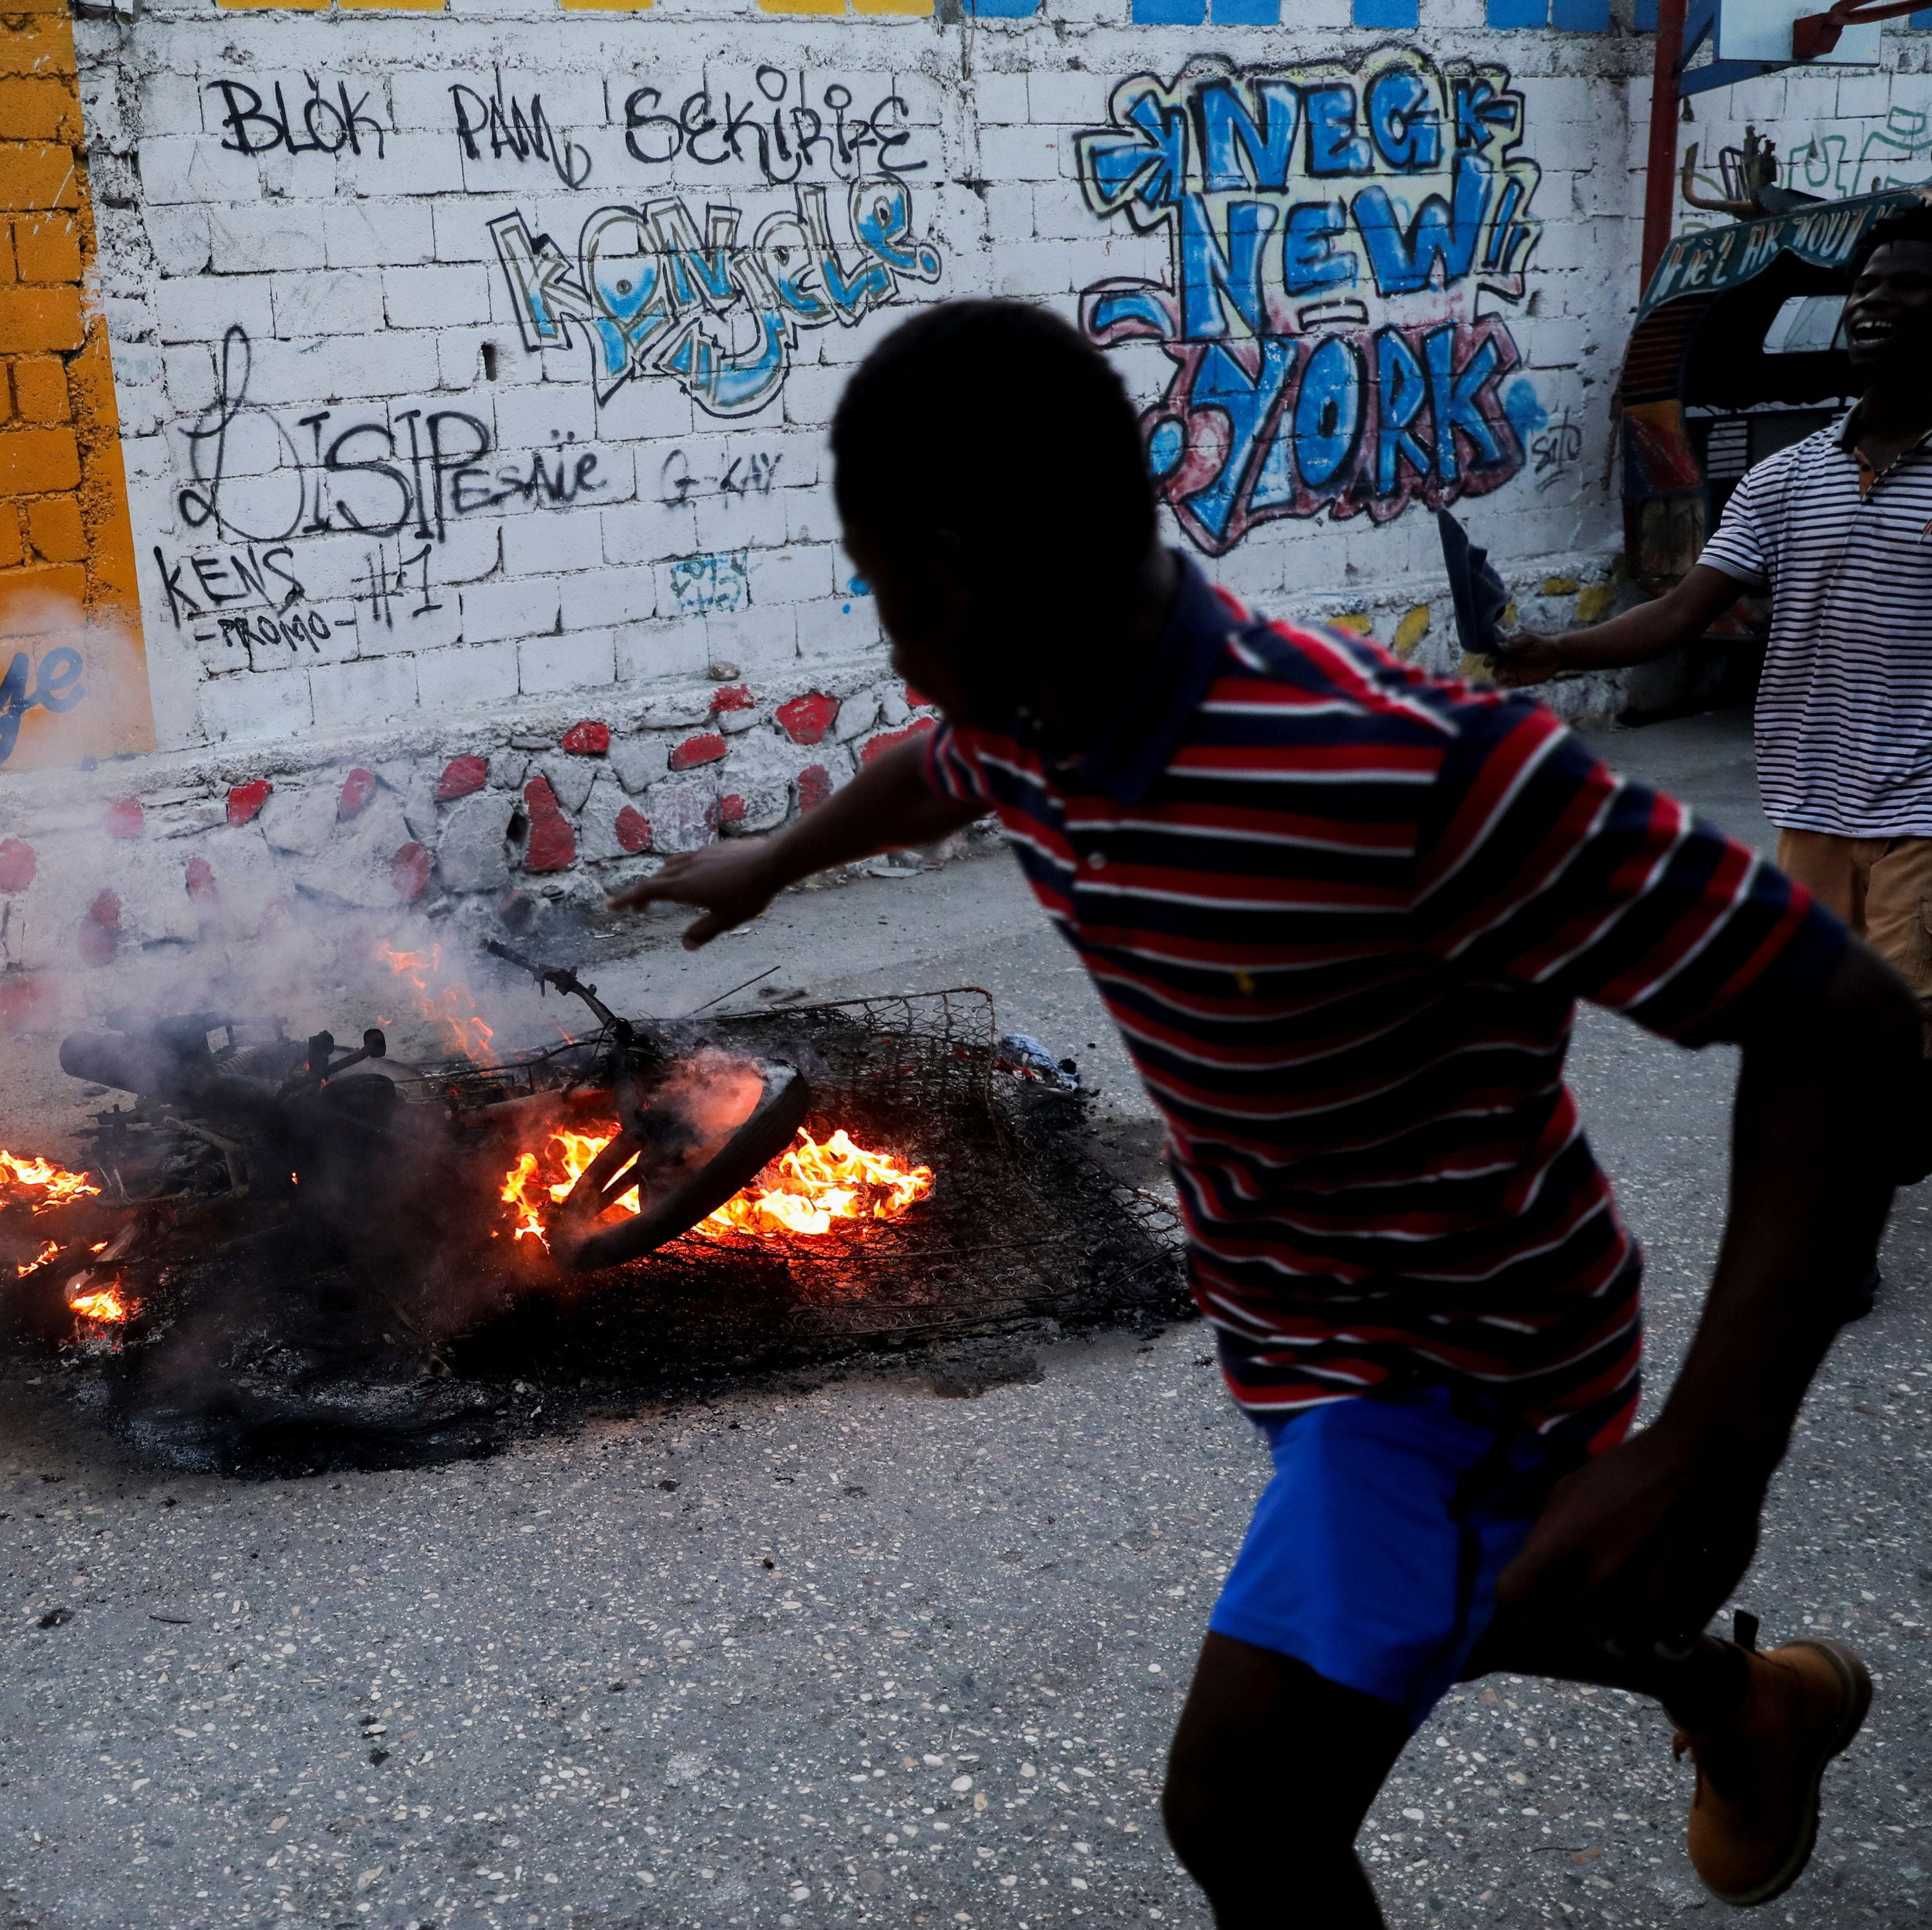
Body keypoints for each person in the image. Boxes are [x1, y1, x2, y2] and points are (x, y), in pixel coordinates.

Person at [607, 299, 1912, 1925]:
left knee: (1242, 1810)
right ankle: (1754, 1704)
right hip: (1289, 1323)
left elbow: (1843, 1022)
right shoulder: (1036, 705)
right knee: (1484, 1604)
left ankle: (1734, 1690)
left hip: (1451, 1368)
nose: (885, 636)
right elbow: (941, 765)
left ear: (968, 570)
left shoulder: (1408, 771)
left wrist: (1716, 1452)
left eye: (885, 588)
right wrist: (772, 861)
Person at [1497, 203, 1932, 1042]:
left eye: (1909, 286)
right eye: (1867, 286)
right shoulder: (1789, 477)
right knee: (1820, 1021)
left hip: (1922, 811)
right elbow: (1683, 609)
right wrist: (1556, 652)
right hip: (1813, 802)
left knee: (1902, 1022)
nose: (1875, 302)